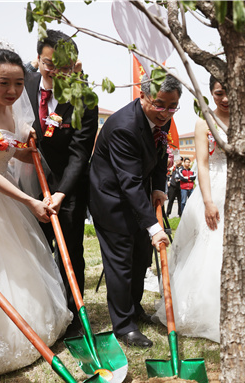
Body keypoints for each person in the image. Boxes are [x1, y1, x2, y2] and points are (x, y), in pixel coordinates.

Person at [0, 41, 70, 377]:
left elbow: (12, 153)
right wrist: (29, 201)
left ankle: (32, 327)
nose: (12, 91)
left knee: (21, 264)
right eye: (3, 83)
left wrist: (28, 147)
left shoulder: (12, 110)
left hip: (6, 194)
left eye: (19, 83)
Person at [157, 77, 245, 342]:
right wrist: (207, 201)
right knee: (211, 247)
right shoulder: (204, 122)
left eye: (229, 92)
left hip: (243, 188)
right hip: (213, 188)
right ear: (211, 93)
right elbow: (202, 164)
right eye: (218, 93)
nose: (224, 98)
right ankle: (209, 310)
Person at [89, 73, 176, 348]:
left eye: (172, 106)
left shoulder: (163, 118)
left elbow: (160, 156)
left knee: (141, 258)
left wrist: (159, 187)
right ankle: (123, 325)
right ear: (143, 96)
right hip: (111, 199)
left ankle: (134, 308)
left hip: (138, 196)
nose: (165, 112)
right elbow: (130, 182)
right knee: (121, 263)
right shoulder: (124, 127)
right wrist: (155, 227)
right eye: (159, 104)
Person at [24, 30, 98, 338]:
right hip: (27, 183)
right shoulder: (24, 85)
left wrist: (61, 193)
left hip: (67, 187)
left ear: (75, 65)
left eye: (64, 66)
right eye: (49, 64)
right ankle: (43, 310)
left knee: (70, 251)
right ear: (38, 59)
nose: (55, 71)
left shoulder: (84, 98)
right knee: (35, 249)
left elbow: (80, 153)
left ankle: (73, 317)